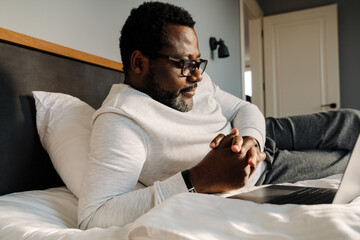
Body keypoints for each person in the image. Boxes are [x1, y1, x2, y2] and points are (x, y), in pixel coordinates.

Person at [78, 1, 360, 230]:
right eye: (185, 64)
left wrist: (253, 139)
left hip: (261, 135)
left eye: (197, 61)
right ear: (139, 63)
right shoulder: (122, 119)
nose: (198, 76)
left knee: (350, 120)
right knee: (348, 164)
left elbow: (243, 108)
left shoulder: (195, 82)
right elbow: (95, 215)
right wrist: (196, 179)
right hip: (259, 171)